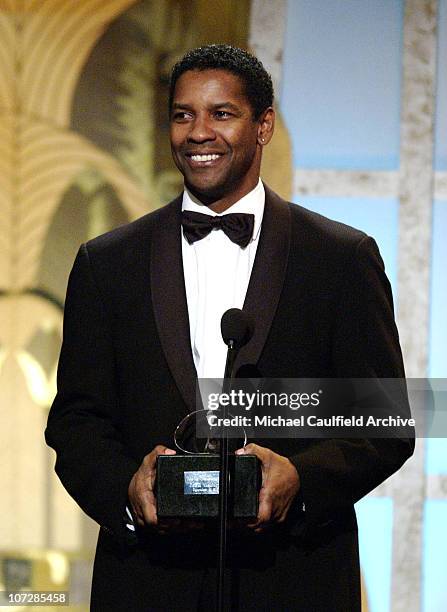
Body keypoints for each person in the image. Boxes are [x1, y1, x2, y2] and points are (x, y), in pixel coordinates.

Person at [45, 44, 414, 611]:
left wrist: (299, 479)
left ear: (263, 125)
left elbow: (384, 420)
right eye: (183, 114)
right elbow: (76, 420)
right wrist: (128, 487)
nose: (198, 133)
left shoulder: (340, 258)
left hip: (293, 580)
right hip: (148, 582)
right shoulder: (106, 262)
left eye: (222, 114)